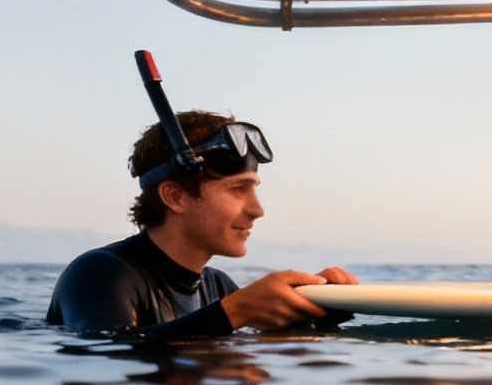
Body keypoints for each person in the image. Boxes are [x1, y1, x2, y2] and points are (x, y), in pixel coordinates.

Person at [46, 109, 357, 337]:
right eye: (238, 189)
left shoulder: (217, 286)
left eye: (254, 189)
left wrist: (315, 310)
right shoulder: (99, 273)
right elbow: (107, 350)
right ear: (175, 196)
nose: (257, 210)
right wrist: (237, 311)